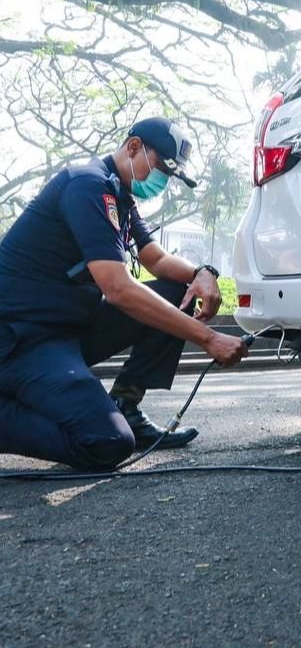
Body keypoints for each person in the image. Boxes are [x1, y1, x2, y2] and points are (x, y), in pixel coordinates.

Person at [0, 117, 248, 471]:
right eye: (161, 168)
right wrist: (208, 338)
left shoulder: (120, 198)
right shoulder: (87, 185)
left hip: (66, 331)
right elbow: (117, 289)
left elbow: (157, 260)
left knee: (177, 290)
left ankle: (125, 405)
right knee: (107, 442)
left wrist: (203, 273)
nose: (161, 181)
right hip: (21, 341)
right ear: (133, 147)